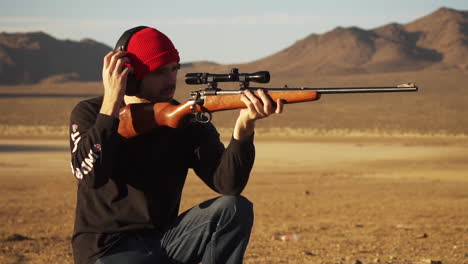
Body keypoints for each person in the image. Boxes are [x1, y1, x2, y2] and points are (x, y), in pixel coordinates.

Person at [69, 26, 284, 264]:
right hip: (108, 250)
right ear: (130, 76)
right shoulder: (89, 113)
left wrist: (244, 127)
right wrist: (111, 103)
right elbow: (91, 176)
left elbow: (227, 184)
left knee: (233, 208)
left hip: (165, 242)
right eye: (160, 71)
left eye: (175, 69)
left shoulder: (186, 119)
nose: (171, 80)